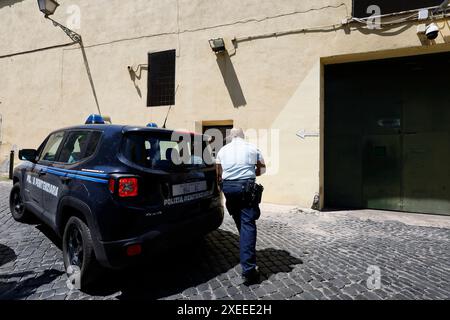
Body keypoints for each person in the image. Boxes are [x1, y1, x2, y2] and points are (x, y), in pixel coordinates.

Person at [216, 128, 266, 285]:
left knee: (241, 220)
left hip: (229, 188)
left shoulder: (222, 150)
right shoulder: (252, 148)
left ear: (231, 137)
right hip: (246, 187)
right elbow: (262, 169)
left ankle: (245, 246)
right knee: (248, 223)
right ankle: (249, 270)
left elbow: (218, 173)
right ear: (243, 136)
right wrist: (250, 171)